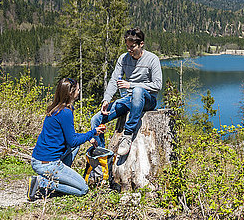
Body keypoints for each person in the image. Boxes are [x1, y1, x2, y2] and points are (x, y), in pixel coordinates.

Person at [27, 78, 105, 201]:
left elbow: (70, 136)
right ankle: (42, 182)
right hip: (49, 164)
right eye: (78, 89)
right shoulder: (66, 113)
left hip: (38, 160)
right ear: (70, 93)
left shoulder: (55, 109)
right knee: (82, 189)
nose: (79, 92)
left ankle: (56, 178)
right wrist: (93, 132)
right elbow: (72, 141)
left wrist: (89, 136)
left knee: (75, 146)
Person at [91, 28, 162, 156]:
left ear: (141, 44)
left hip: (148, 100)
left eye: (132, 47)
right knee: (96, 120)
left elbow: (157, 85)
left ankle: (128, 135)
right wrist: (106, 99)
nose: (129, 50)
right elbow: (114, 80)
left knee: (138, 91)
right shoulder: (123, 59)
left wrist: (131, 85)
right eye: (127, 46)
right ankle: (102, 158)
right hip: (129, 99)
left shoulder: (152, 59)